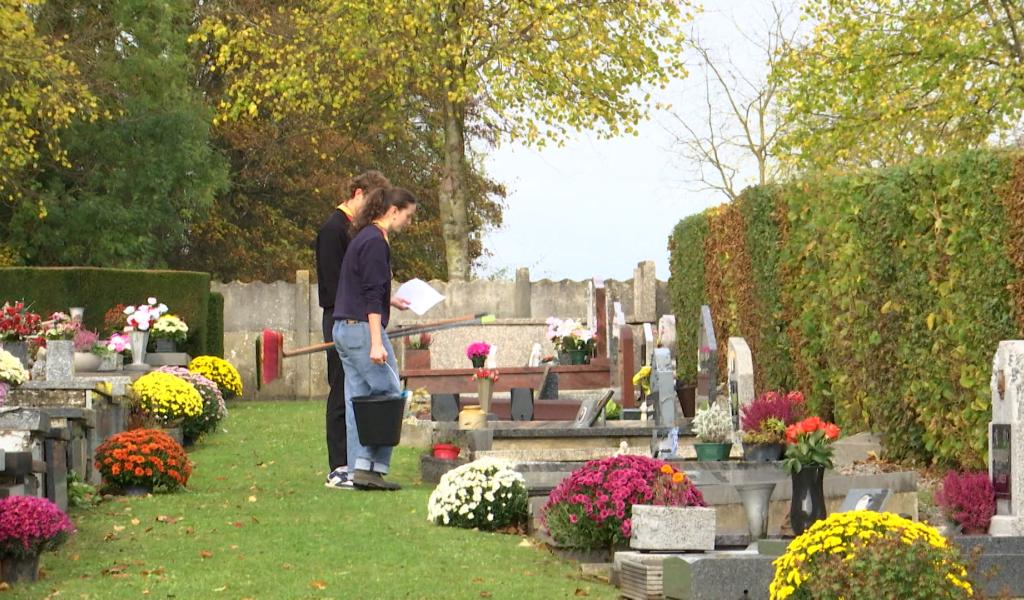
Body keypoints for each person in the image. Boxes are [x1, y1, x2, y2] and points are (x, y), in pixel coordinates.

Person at [332, 187, 416, 490]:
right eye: (408, 215)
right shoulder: (376, 242)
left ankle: (358, 470)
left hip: (343, 329)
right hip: (362, 331)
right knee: (390, 394)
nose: (409, 222)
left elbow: (362, 286)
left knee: (358, 399)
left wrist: (389, 300)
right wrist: (376, 342)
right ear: (393, 211)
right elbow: (369, 295)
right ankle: (372, 467)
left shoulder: (362, 237)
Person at [315, 170, 390, 489]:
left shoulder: (355, 230)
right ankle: (339, 465)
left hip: (354, 316)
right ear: (358, 193)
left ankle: (355, 463)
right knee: (341, 391)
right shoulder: (333, 229)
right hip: (341, 317)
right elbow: (337, 285)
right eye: (372, 202)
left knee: (354, 389)